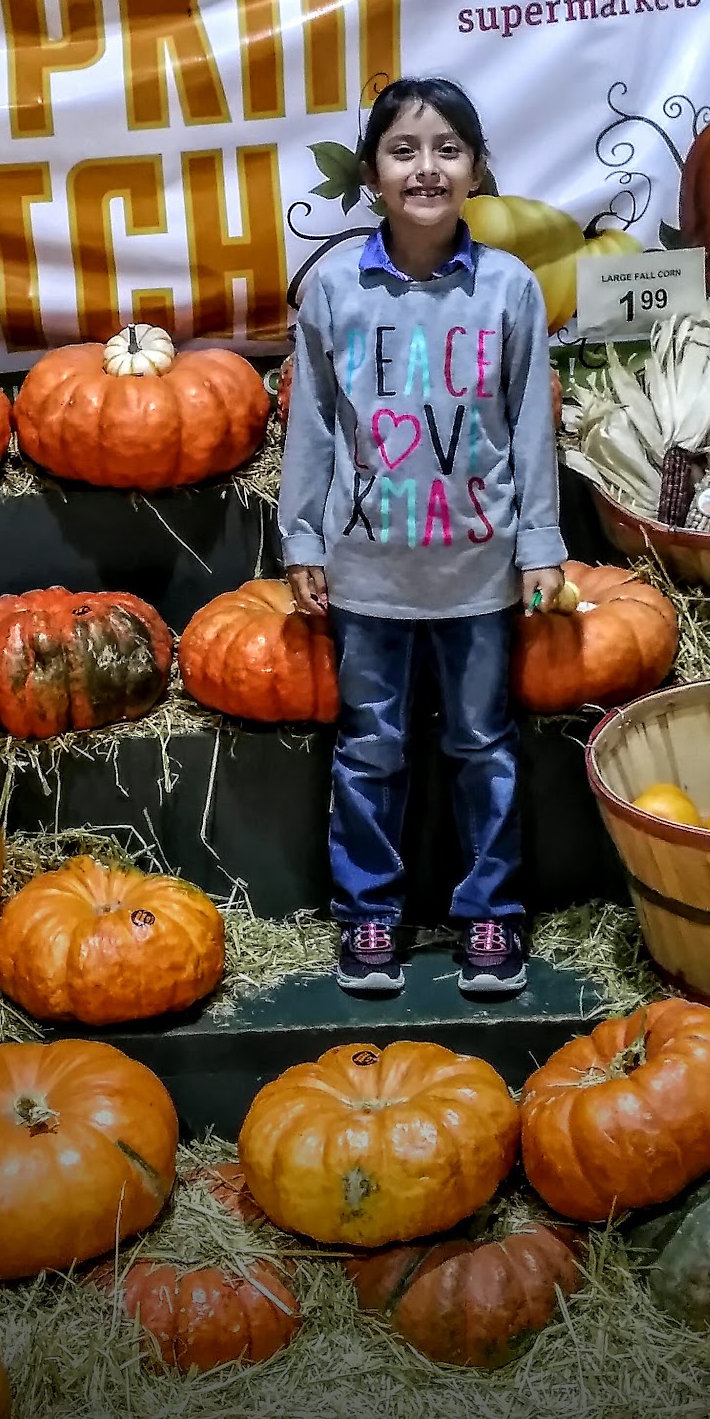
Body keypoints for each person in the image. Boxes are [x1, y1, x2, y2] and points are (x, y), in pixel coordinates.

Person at [278, 75, 565, 999]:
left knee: (482, 746)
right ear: (372, 174)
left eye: (448, 149)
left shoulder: (510, 288)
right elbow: (312, 423)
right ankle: (370, 917)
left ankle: (490, 915)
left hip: (479, 573)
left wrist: (540, 542)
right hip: (366, 575)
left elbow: (529, 425)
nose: (426, 168)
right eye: (403, 150)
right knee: (371, 749)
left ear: (477, 170)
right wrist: (302, 537)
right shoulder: (334, 288)